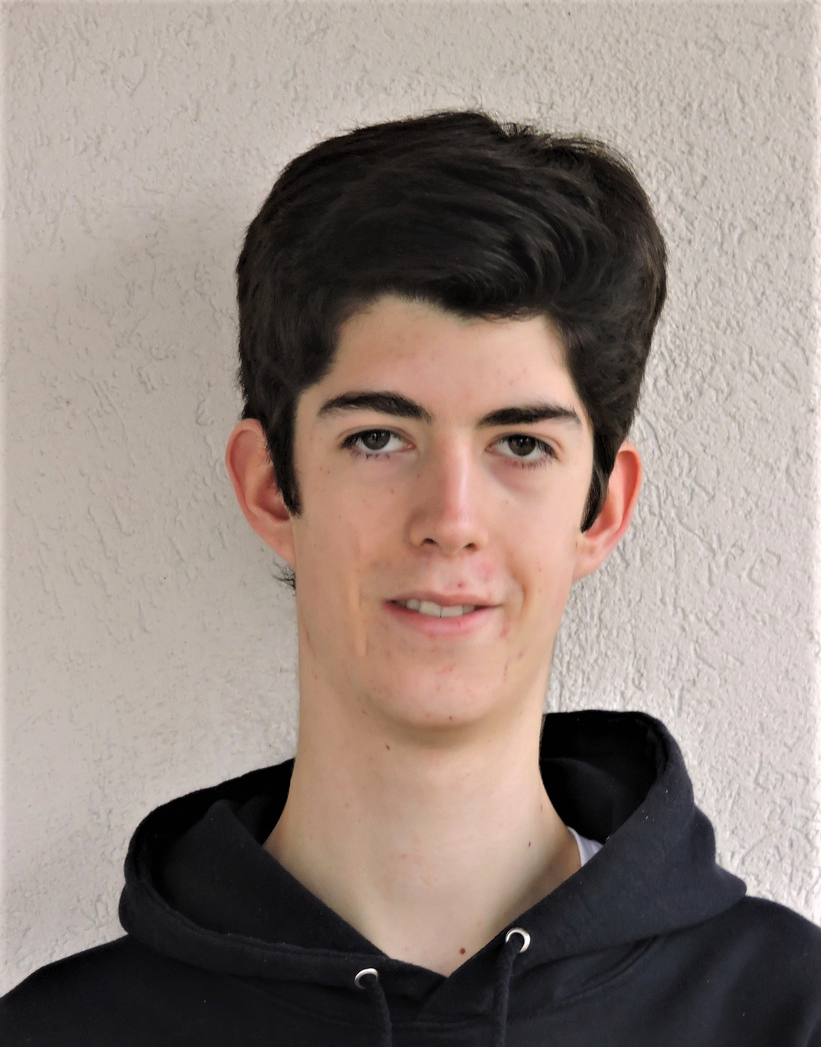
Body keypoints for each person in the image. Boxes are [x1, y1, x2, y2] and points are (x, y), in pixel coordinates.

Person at [2, 110, 819, 1046]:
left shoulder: (790, 1012)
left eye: (521, 443)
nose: (450, 519)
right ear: (271, 488)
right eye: (378, 438)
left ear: (599, 509)